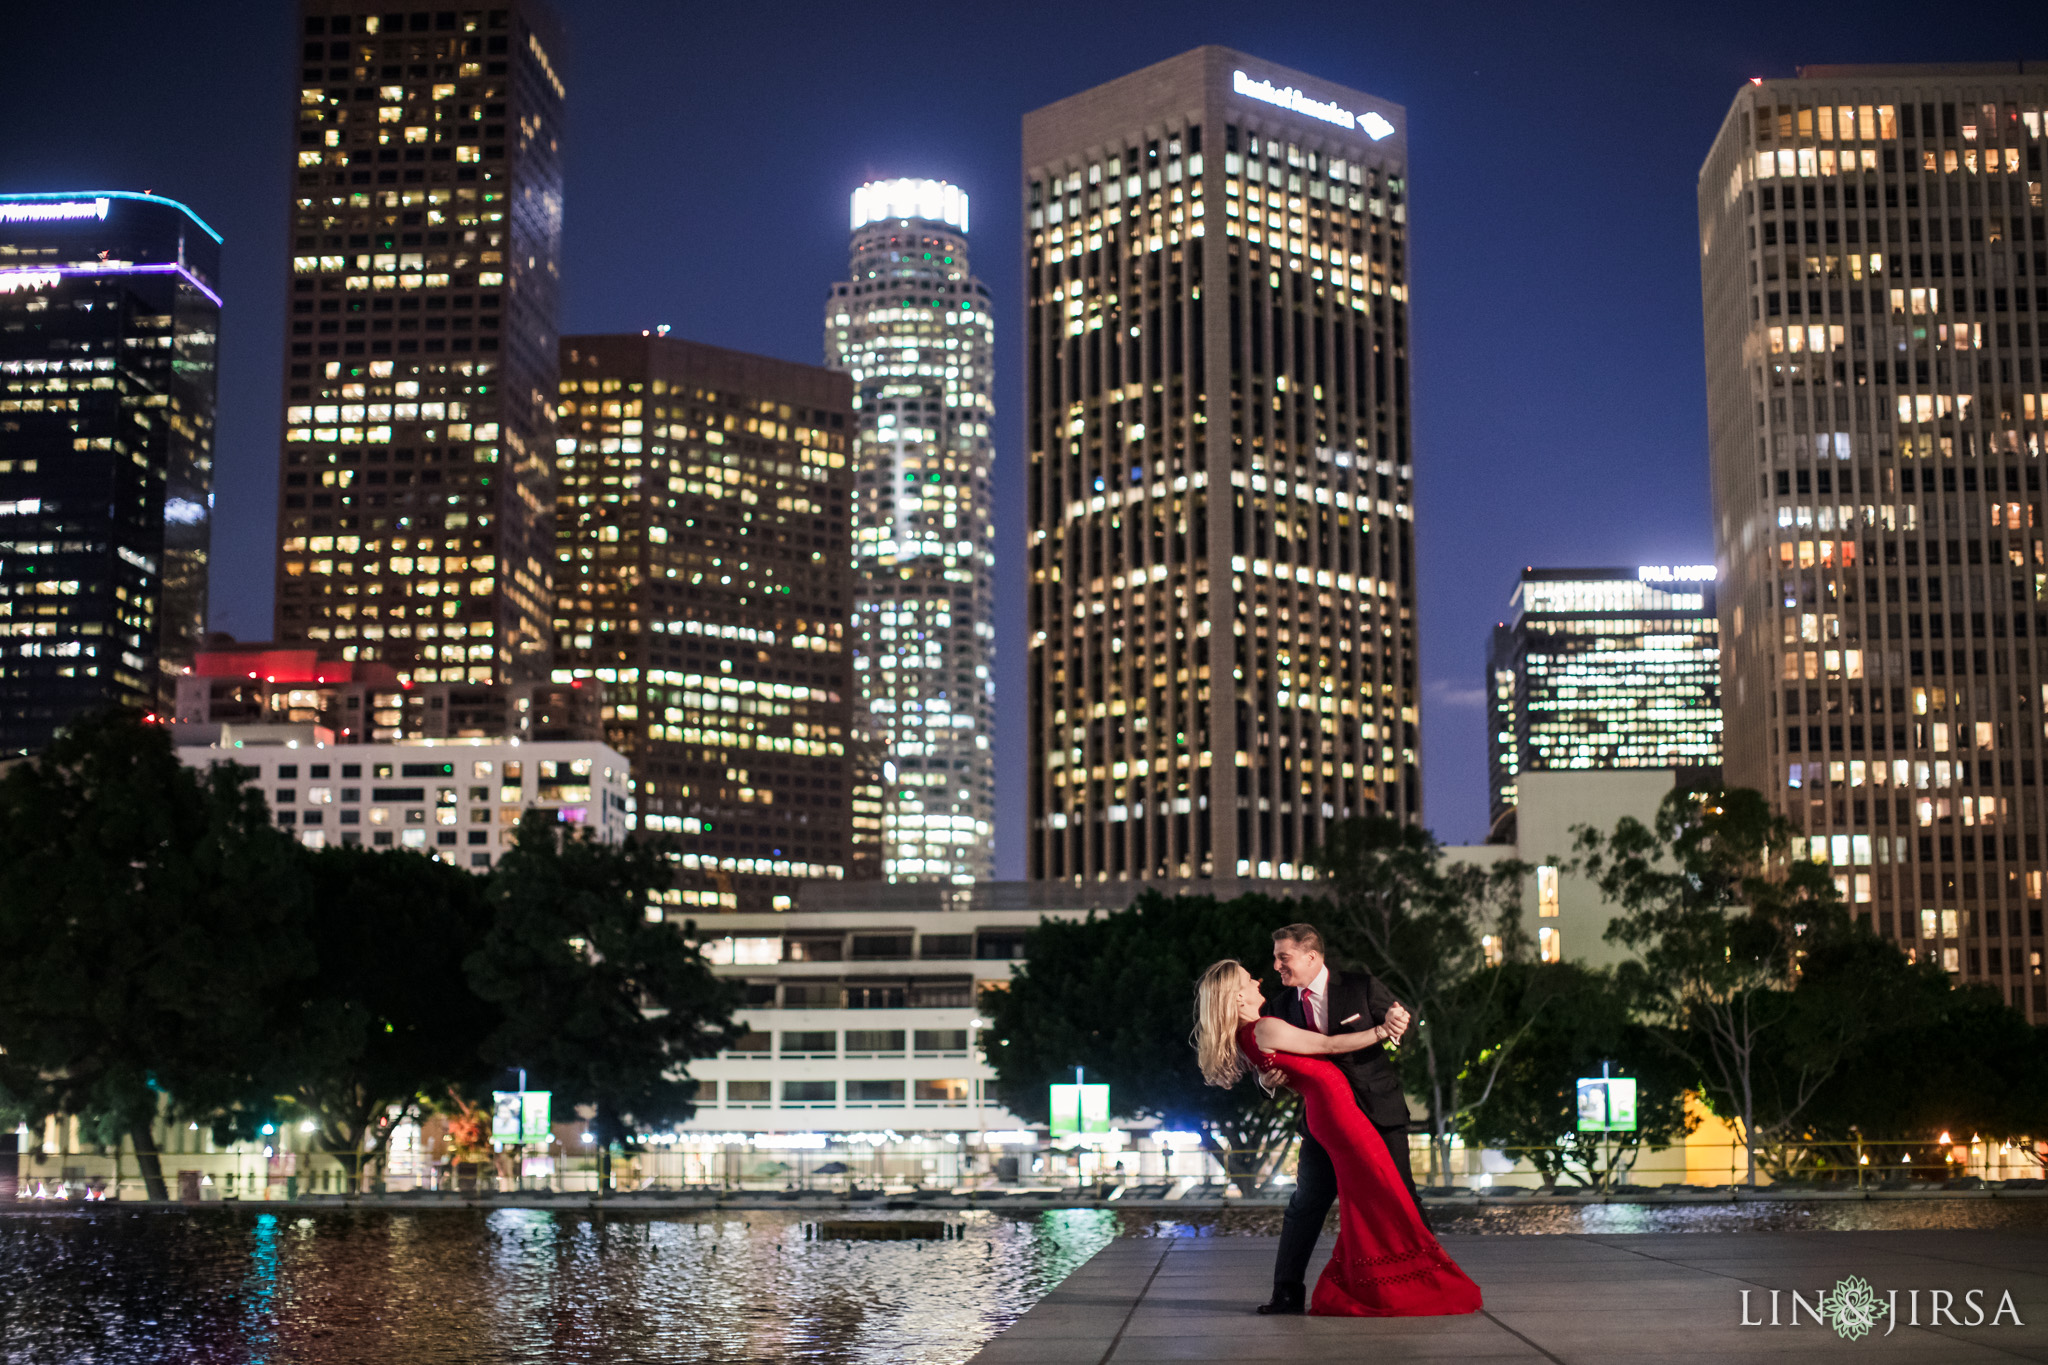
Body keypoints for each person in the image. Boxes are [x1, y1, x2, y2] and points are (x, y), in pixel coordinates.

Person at [1195, 954, 1481, 1318]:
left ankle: (1415, 1277)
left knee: (1386, 1194)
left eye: (1283, 956)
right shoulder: (1271, 1017)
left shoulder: (1358, 987)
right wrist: (1380, 1031)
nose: (1265, 978)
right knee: (1339, 1200)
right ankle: (1312, 1290)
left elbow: (1398, 1032)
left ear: (1309, 954)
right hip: (1336, 1118)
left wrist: (1396, 1024)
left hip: (1369, 1109)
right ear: (1236, 997)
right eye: (1250, 979)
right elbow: (1326, 1047)